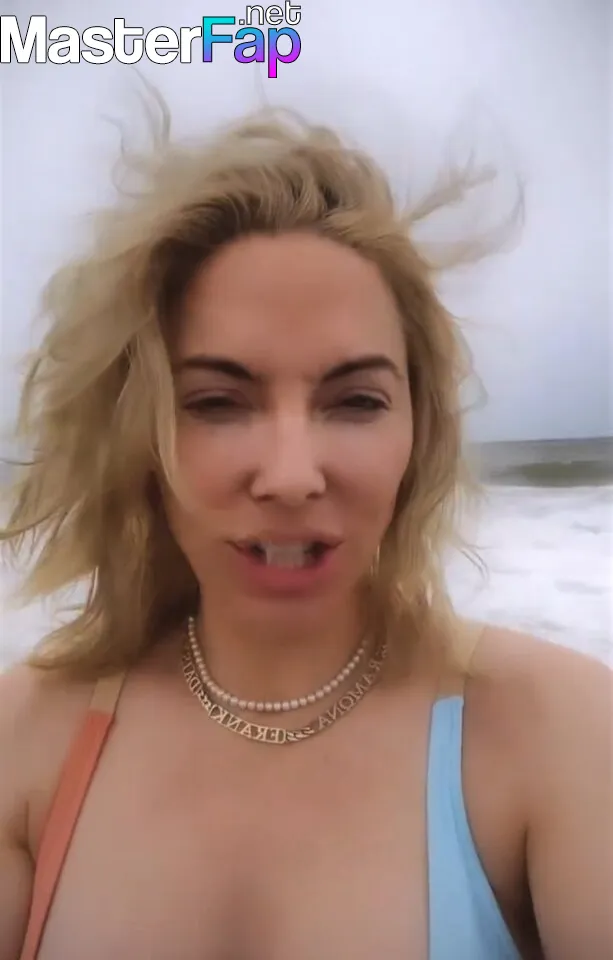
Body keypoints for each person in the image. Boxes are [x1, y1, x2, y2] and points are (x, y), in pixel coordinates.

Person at [0, 92, 610, 960]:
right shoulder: (26, 739)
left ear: (419, 431)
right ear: (134, 433)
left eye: (354, 401)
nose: (291, 476)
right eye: (216, 402)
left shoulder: (560, 734)